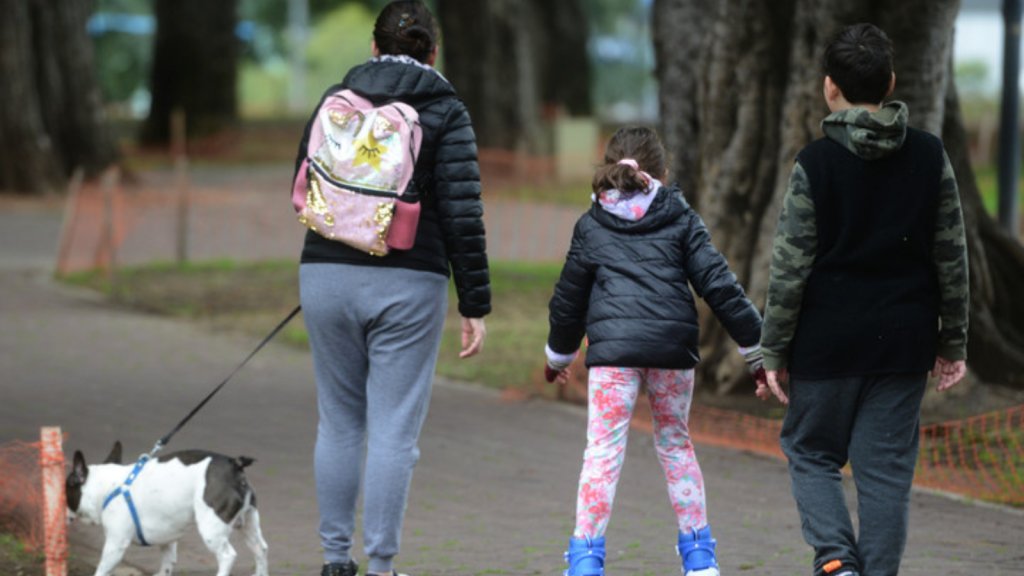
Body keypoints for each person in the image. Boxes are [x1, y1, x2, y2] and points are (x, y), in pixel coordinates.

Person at [759, 23, 970, 576]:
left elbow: (790, 268)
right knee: (886, 472)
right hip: (904, 343)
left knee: (810, 452)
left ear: (830, 88)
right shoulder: (930, 156)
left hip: (825, 342)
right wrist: (953, 341)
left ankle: (834, 560)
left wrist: (773, 350)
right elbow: (952, 256)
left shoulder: (814, 164)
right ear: (892, 83)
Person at [293, 2, 490, 575]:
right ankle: (380, 567)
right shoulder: (446, 108)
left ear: (373, 48)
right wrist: (474, 303)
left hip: (324, 275)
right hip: (409, 279)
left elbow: (303, 184)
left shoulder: (337, 95)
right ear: (434, 52)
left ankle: (335, 561)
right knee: (393, 432)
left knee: (338, 422)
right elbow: (462, 212)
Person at [545, 126, 766, 576]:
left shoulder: (591, 225)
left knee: (602, 452)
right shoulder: (681, 217)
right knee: (675, 445)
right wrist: (757, 351)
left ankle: (586, 558)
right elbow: (719, 286)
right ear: (663, 172)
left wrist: (558, 357)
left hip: (612, 357)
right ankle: (700, 557)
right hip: (672, 351)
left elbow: (569, 300)